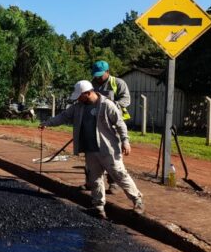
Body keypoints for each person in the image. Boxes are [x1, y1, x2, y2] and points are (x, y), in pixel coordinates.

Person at [39, 80, 144, 219]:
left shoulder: (106, 105)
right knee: (95, 179)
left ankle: (138, 201)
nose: (78, 99)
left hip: (108, 149)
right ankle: (98, 207)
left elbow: (120, 124)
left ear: (88, 93)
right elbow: (63, 116)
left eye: (80, 96)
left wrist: (125, 141)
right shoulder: (78, 107)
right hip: (90, 149)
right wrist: (48, 123)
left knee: (119, 174)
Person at [91, 60, 131, 193]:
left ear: (107, 72)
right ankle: (91, 182)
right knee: (94, 152)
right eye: (96, 75)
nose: (98, 77)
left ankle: (113, 184)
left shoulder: (118, 83)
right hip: (97, 122)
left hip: (114, 122)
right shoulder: (93, 84)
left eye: (100, 75)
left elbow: (126, 100)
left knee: (112, 153)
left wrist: (112, 105)